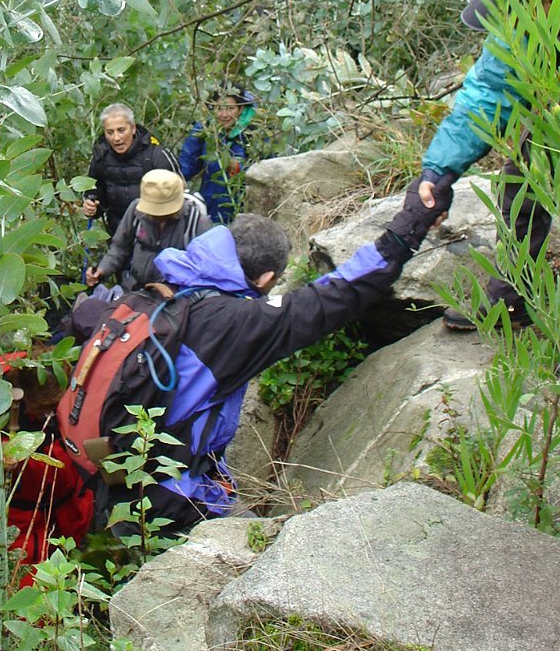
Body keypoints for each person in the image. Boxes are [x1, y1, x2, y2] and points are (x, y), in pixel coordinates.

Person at [93, 178, 453, 533]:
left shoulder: (158, 289)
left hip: (110, 476)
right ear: (266, 279)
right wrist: (408, 228)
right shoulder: (237, 324)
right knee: (262, 541)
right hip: (169, 499)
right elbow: (334, 297)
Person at [418, 0, 560, 330]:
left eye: (511, 16)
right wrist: (439, 170)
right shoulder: (523, 19)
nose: (504, 27)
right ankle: (516, 297)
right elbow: (488, 92)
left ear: (551, 1)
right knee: (524, 177)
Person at [0, 353, 94, 587]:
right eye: (45, 408)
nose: (50, 414)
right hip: (24, 521)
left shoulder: (68, 382)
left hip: (60, 510)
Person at [85, 169, 211, 291]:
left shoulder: (195, 222)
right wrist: (102, 270)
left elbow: (207, 268)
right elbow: (119, 248)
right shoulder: (136, 211)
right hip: (135, 288)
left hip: (176, 293)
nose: (157, 216)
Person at [82, 103, 180, 236]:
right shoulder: (100, 158)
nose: (116, 138)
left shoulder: (157, 155)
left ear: (133, 128)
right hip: (118, 234)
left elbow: (181, 198)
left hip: (157, 234)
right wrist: (91, 208)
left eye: (121, 130)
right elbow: (95, 197)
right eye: (110, 132)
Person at [179, 86, 257, 223]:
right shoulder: (205, 130)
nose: (224, 115)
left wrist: (238, 168)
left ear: (240, 109)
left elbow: (264, 172)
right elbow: (186, 167)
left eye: (230, 108)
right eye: (219, 108)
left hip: (245, 212)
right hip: (211, 208)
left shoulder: (252, 133)